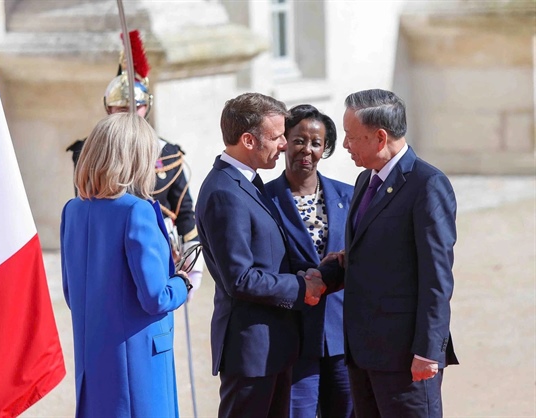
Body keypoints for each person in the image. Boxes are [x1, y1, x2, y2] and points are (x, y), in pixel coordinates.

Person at [308, 89, 458, 417]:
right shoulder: (365, 181)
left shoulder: (427, 185)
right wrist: (322, 276)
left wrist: (428, 352)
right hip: (363, 353)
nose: (344, 145)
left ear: (380, 137)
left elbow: (437, 277)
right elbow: (365, 256)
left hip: (406, 358)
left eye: (350, 136)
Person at [195, 92, 328, 418]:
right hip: (251, 352)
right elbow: (240, 278)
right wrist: (301, 288)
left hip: (273, 347)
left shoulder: (248, 182)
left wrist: (322, 270)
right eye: (277, 136)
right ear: (248, 140)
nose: (284, 144)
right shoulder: (225, 192)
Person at [60, 113, 192, 418]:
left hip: (94, 354)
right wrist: (181, 283)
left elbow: (71, 293)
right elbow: (155, 296)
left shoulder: (73, 210)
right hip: (138, 358)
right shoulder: (137, 211)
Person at [66, 30, 203, 298]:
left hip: (158, 248)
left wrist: (190, 262)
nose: (129, 113)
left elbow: (183, 209)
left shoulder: (168, 151)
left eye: (136, 107)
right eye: (121, 107)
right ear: (109, 108)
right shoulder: (89, 150)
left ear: (146, 107)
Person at [265, 104, 354, 418]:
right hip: (292, 337)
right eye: (299, 140)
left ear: (325, 149)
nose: (307, 149)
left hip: (342, 336)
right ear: (285, 141)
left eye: (316, 143)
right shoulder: (263, 199)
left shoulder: (350, 196)